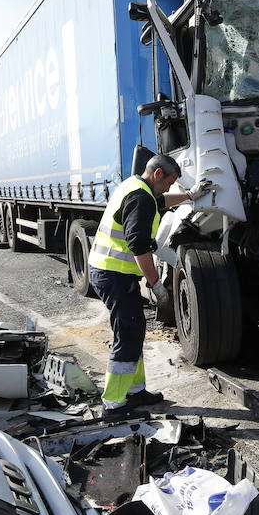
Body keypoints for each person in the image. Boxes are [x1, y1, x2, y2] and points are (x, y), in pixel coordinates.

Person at [86, 155, 211, 416]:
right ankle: (113, 404)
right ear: (157, 175)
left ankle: (135, 392)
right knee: (128, 333)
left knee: (134, 330)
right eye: (169, 182)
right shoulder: (141, 197)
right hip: (114, 274)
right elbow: (139, 247)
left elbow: (161, 201)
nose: (169, 188)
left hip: (110, 271)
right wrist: (155, 284)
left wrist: (189, 195)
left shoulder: (137, 186)